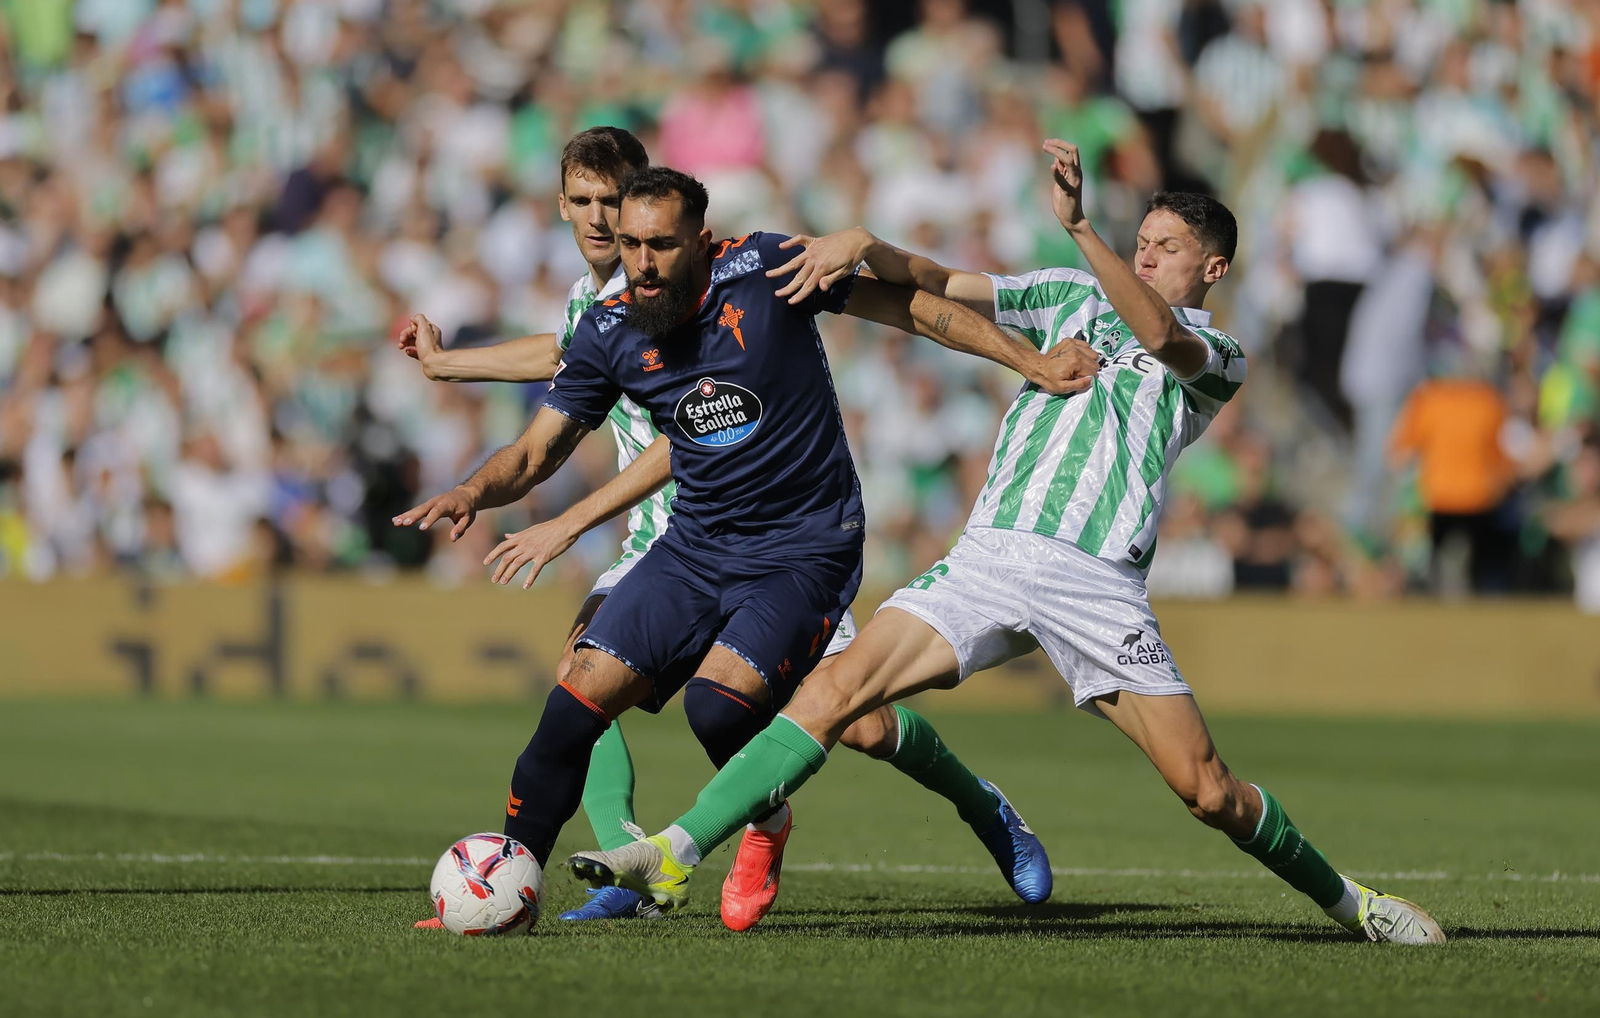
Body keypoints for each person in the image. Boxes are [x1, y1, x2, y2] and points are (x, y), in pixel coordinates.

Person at [565, 140, 1446, 945]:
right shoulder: (1067, 293)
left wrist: (1085, 230)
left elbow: (1159, 335)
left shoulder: (1218, 351)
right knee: (836, 691)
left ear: (1212, 266)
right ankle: (677, 848)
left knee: (1207, 790)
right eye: (1141, 238)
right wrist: (860, 242)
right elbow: (942, 284)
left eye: (1165, 245)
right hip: (990, 554)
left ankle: (1354, 905)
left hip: (1092, 579)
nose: (1144, 253)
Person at [396, 164, 1101, 929]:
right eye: (629, 244)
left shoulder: (766, 268)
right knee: (573, 701)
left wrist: (1029, 363)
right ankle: (510, 886)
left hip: (805, 545)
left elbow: (904, 309)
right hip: (695, 543)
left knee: (739, 710)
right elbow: (536, 453)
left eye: (660, 244)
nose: (642, 262)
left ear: (702, 240)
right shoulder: (607, 326)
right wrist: (472, 489)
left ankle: (973, 806)